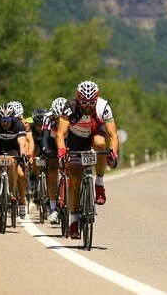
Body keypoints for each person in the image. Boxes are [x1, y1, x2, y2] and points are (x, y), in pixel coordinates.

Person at [56, 80, 119, 239]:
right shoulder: (70, 107)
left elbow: (113, 135)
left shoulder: (103, 107)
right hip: (76, 138)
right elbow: (60, 134)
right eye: (84, 102)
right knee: (75, 179)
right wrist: (62, 153)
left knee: (100, 145)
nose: (88, 106)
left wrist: (113, 153)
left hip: (95, 133)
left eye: (92, 102)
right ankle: (74, 221)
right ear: (78, 98)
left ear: (96, 99)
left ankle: (99, 183)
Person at [0, 104, 28, 216]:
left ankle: (12, 193)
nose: (5, 122)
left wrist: (23, 156)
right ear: (0, 118)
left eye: (8, 119)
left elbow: (22, 144)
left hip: (13, 149)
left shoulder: (18, 124)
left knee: (13, 163)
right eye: (3, 120)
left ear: (12, 118)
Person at [7, 100, 35, 219]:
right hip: (8, 148)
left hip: (21, 149)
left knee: (21, 174)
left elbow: (30, 140)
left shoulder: (24, 124)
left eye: (17, 118)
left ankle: (22, 202)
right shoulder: (5, 122)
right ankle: (6, 193)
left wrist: (30, 155)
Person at [41, 98, 67, 224]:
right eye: (57, 118)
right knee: (51, 169)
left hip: (68, 139)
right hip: (52, 141)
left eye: (61, 118)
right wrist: (45, 150)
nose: (58, 121)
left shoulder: (71, 114)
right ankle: (53, 208)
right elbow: (45, 137)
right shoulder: (48, 117)